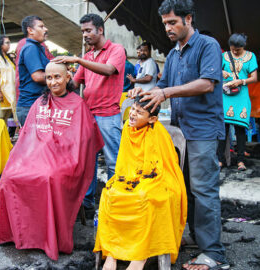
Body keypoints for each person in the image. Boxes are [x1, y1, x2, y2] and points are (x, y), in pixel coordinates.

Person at [129, 1, 229, 269]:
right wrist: (144, 92)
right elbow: (163, 85)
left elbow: (207, 84)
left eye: (173, 22)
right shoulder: (173, 55)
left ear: (188, 19)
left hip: (203, 130)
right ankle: (197, 238)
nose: (168, 28)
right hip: (179, 131)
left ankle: (214, 253)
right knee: (182, 187)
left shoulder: (207, 45)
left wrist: (166, 92)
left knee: (203, 189)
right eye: (165, 24)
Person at [0, 62, 104, 260]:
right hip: (35, 157)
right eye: (49, 78)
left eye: (57, 77)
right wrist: (26, 157)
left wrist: (60, 154)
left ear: (67, 78)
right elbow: (27, 136)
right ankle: (18, 234)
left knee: (48, 177)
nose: (53, 82)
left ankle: (48, 238)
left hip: (65, 160)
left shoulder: (77, 104)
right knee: (9, 177)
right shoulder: (40, 102)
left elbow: (82, 140)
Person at [94, 96, 187, 270]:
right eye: (133, 110)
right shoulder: (128, 130)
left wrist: (141, 182)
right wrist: (128, 179)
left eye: (139, 112)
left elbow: (158, 167)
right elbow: (124, 162)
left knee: (145, 197)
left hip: (159, 178)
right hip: (129, 176)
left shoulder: (157, 133)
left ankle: (140, 257)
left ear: (152, 119)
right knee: (110, 194)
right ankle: (112, 254)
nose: (133, 115)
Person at [52, 13, 126, 213]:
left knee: (113, 161)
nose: (84, 35)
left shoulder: (116, 50)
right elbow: (74, 84)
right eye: (82, 31)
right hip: (88, 115)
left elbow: (109, 70)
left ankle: (115, 203)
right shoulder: (87, 56)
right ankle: (87, 204)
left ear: (100, 30)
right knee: (88, 162)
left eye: (88, 30)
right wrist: (59, 77)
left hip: (108, 115)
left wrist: (78, 59)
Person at [218, 33, 258, 171]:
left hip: (241, 96)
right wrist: (221, 72)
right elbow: (215, 71)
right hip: (225, 95)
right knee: (223, 129)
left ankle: (241, 160)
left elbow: (254, 78)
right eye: (233, 48)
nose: (235, 51)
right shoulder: (224, 56)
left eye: (238, 49)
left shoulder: (251, 57)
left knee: (241, 130)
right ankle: (220, 160)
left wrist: (241, 81)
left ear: (243, 46)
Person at [17, 15, 49, 127]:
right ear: (30, 30)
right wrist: (61, 77)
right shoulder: (31, 48)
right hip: (30, 106)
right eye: (41, 27)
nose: (46, 29)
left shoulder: (37, 47)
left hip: (34, 105)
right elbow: (38, 77)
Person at [0, 35, 16, 122]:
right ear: (0, 44)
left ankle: (2, 136)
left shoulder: (7, 58)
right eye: (7, 43)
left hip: (8, 94)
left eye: (10, 43)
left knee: (4, 120)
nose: (9, 45)